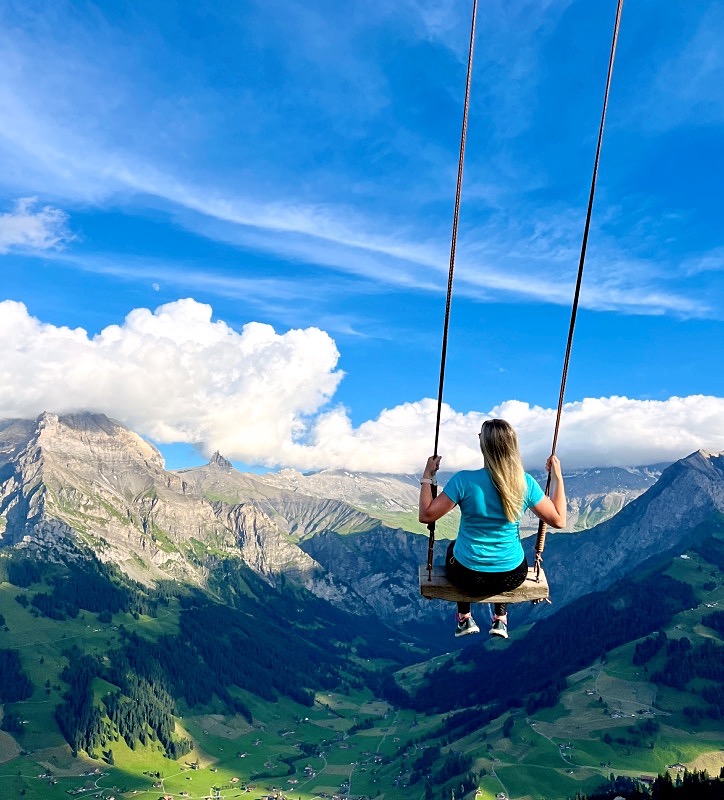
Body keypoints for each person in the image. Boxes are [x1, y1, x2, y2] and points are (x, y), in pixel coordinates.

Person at [418, 418, 566, 639]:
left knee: (454, 549)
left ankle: (464, 617)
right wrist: (557, 477)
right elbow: (559, 520)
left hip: (467, 576)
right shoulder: (524, 483)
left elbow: (426, 515)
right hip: (511, 576)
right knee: (510, 554)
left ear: (484, 445)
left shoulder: (464, 481)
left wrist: (428, 476)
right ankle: (500, 619)